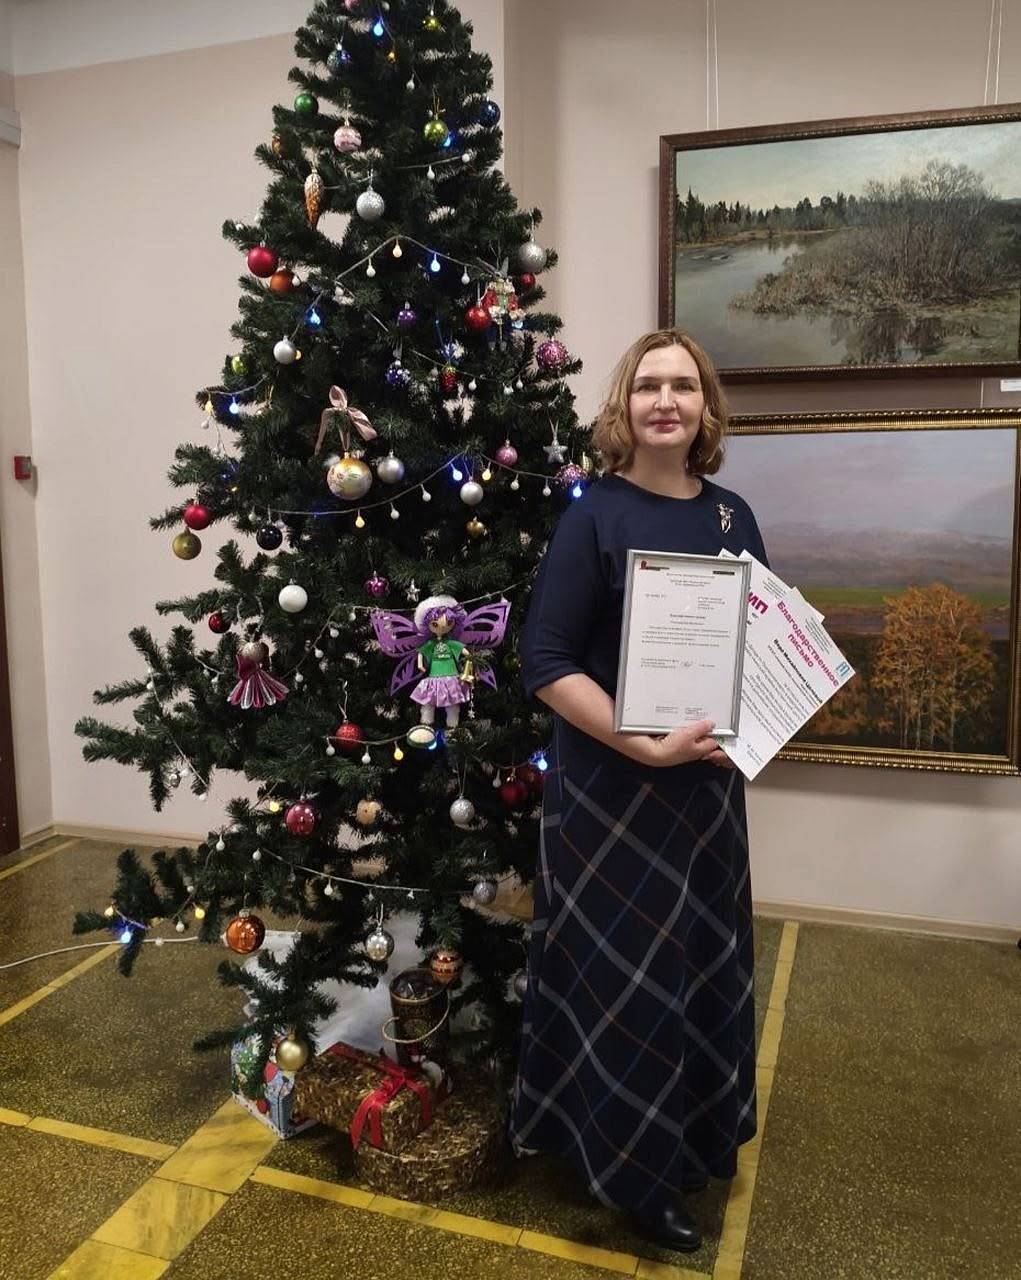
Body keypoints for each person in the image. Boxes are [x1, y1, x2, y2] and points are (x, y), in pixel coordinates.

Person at [509, 327, 767, 1253]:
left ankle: (691, 1142)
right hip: (611, 795)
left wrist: (750, 728)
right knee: (628, 987)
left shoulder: (732, 517)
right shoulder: (594, 515)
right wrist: (645, 746)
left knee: (700, 969)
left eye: (683, 386)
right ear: (623, 404)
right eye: (648, 385)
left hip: (704, 796)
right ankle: (635, 1177)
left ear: (705, 408)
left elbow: (757, 648)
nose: (666, 401)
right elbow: (544, 663)